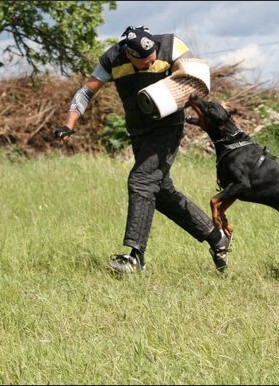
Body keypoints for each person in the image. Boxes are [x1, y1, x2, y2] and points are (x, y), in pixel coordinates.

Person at [54, 26, 230, 274]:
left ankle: (136, 257)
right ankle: (217, 239)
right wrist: (69, 124)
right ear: (129, 55)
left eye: (154, 57)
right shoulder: (112, 59)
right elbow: (85, 92)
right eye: (146, 61)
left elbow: (197, 77)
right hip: (139, 132)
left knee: (141, 181)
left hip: (167, 128)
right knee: (160, 192)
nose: (152, 62)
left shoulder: (170, 45)